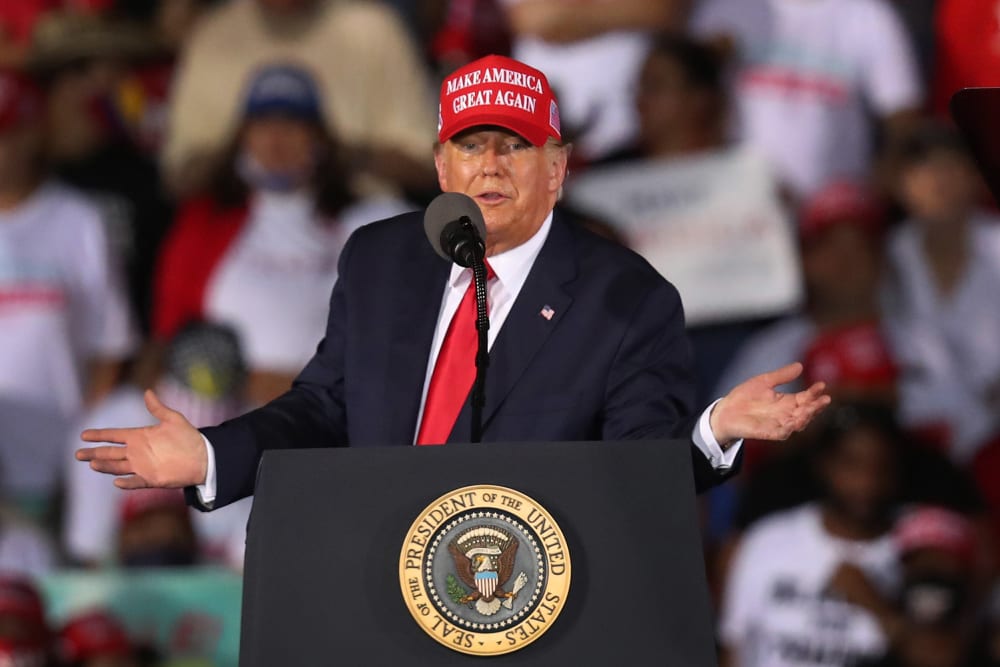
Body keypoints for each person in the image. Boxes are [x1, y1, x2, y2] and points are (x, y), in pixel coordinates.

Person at [77, 54, 830, 513]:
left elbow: (640, 468)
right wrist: (211, 455)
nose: (492, 165)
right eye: (473, 146)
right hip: (376, 578)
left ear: (558, 169)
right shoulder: (380, 260)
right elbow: (325, 406)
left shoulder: (625, 298)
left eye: (516, 145)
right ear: (442, 168)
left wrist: (713, 431)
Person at [153, 62, 413, 406]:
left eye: (292, 124)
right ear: (243, 135)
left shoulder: (365, 221)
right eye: (263, 124)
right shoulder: (206, 221)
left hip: (329, 406)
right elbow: (170, 333)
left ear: (318, 135)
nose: (276, 139)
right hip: (224, 405)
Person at [718, 403, 905, 667]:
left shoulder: (917, 546)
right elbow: (734, 647)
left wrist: (879, 608)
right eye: (851, 463)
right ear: (824, 464)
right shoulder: (768, 541)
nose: (867, 481)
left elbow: (943, 654)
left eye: (882, 466)